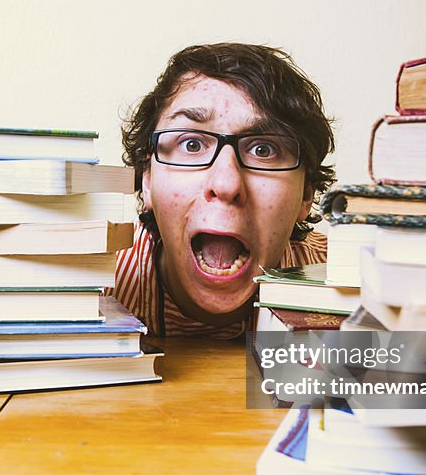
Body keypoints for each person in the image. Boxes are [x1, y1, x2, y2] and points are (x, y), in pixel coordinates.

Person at [112, 43, 336, 338]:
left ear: (306, 195)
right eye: (192, 144)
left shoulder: (359, 288)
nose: (226, 184)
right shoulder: (86, 284)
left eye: (263, 149)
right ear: (147, 179)